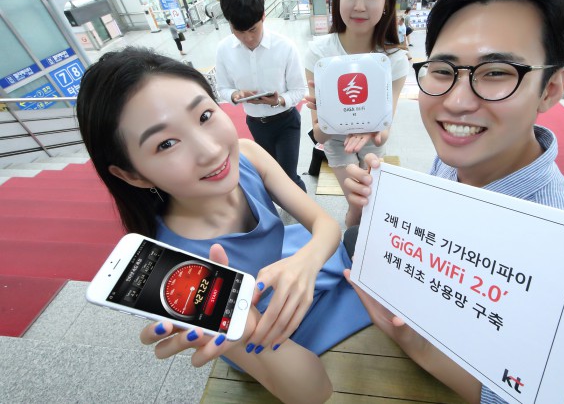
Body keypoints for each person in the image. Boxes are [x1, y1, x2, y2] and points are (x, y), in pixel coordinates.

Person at [343, 0, 564, 403]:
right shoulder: (452, 165)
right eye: (443, 70)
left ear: (551, 89)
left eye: (496, 72)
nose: (457, 102)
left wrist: (419, 347)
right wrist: (363, 210)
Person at [75, 47, 371, 403]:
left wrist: (305, 263)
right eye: (166, 143)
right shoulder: (179, 266)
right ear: (132, 175)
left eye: (204, 115)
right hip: (257, 328)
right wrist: (243, 324)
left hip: (298, 267)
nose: (211, 150)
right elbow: (312, 393)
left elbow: (324, 223)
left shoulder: (246, 154)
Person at [304, 0, 409, 227]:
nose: (360, 5)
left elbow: (383, 133)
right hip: (337, 143)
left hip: (372, 139)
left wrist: (371, 128)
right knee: (357, 203)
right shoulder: (319, 54)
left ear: (386, 1)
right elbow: (320, 135)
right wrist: (327, 115)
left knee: (372, 201)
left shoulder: (394, 59)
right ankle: (351, 245)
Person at [216, 0, 307, 192]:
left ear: (263, 16)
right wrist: (235, 95)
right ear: (229, 24)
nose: (248, 38)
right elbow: (222, 89)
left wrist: (279, 100)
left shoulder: (285, 47)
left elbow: (299, 90)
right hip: (256, 124)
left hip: (286, 122)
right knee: (268, 175)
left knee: (288, 176)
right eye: (239, 31)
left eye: (253, 29)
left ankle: (304, 208)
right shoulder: (223, 50)